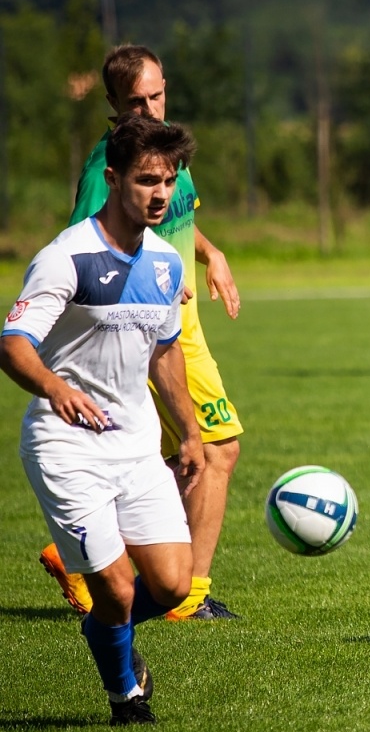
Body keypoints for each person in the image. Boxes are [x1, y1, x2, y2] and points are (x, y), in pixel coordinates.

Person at [2, 114, 204, 724]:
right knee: (116, 586)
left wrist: (190, 433)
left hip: (138, 446)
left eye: (168, 181)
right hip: (67, 447)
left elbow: (165, 353)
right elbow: (12, 343)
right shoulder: (68, 258)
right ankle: (125, 696)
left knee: (173, 586)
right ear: (113, 180)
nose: (160, 194)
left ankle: (103, 630)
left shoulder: (167, 263)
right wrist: (52, 386)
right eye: (147, 180)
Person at [37, 45, 243, 622]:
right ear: (112, 103)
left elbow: (178, 215)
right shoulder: (109, 166)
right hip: (147, 331)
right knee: (217, 449)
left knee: (173, 459)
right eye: (136, 101)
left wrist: (209, 254)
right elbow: (88, 245)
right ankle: (187, 599)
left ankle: (92, 560)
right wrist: (146, 277)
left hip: (183, 326)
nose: (149, 109)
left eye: (156, 95)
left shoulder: (167, 149)